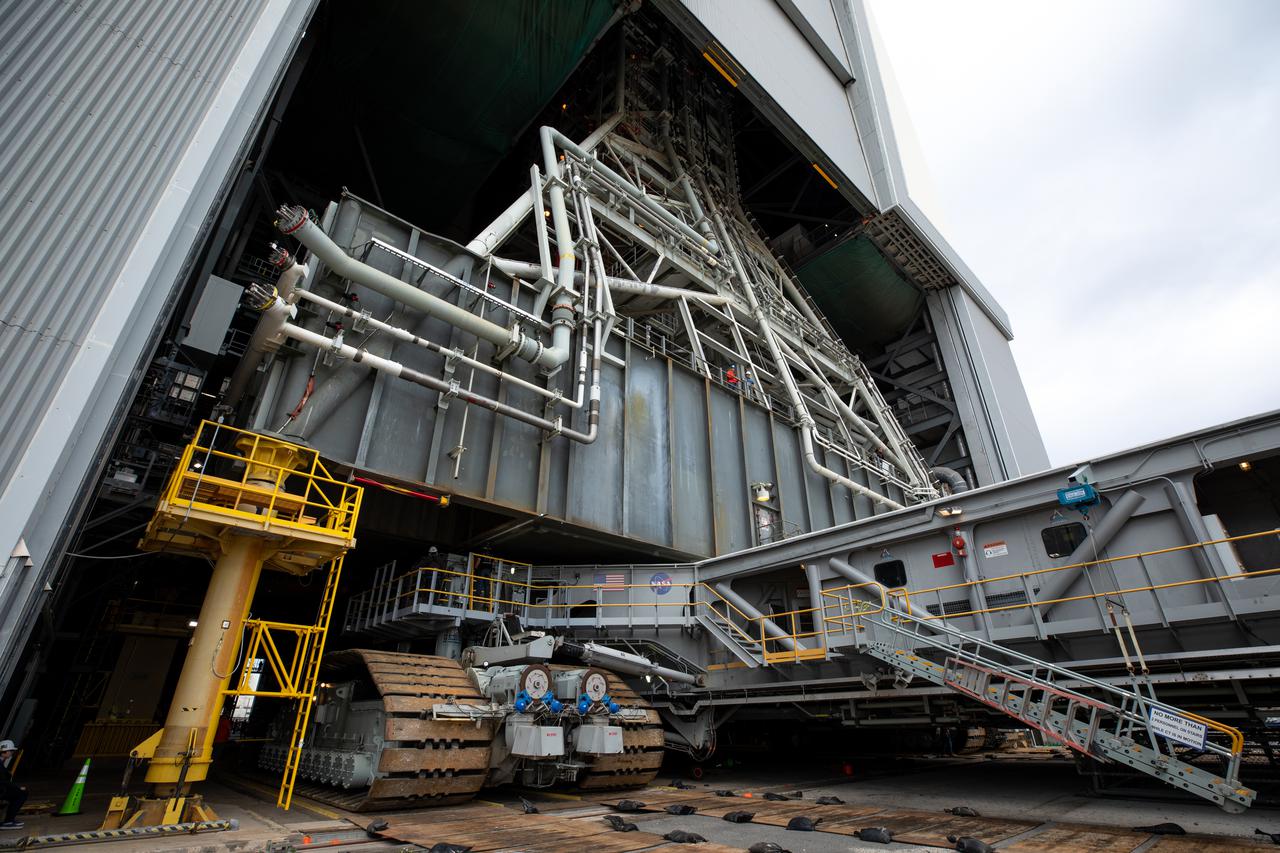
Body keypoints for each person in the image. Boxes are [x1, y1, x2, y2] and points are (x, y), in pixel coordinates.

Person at [0, 739, 27, 830]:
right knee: (21, 794)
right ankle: (8, 821)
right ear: (5, 752)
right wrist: (18, 787)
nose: (12, 753)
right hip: (1, 789)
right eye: (11, 751)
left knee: (19, 793)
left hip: (2, 787)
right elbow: (3, 781)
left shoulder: (2, 761)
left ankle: (9, 820)